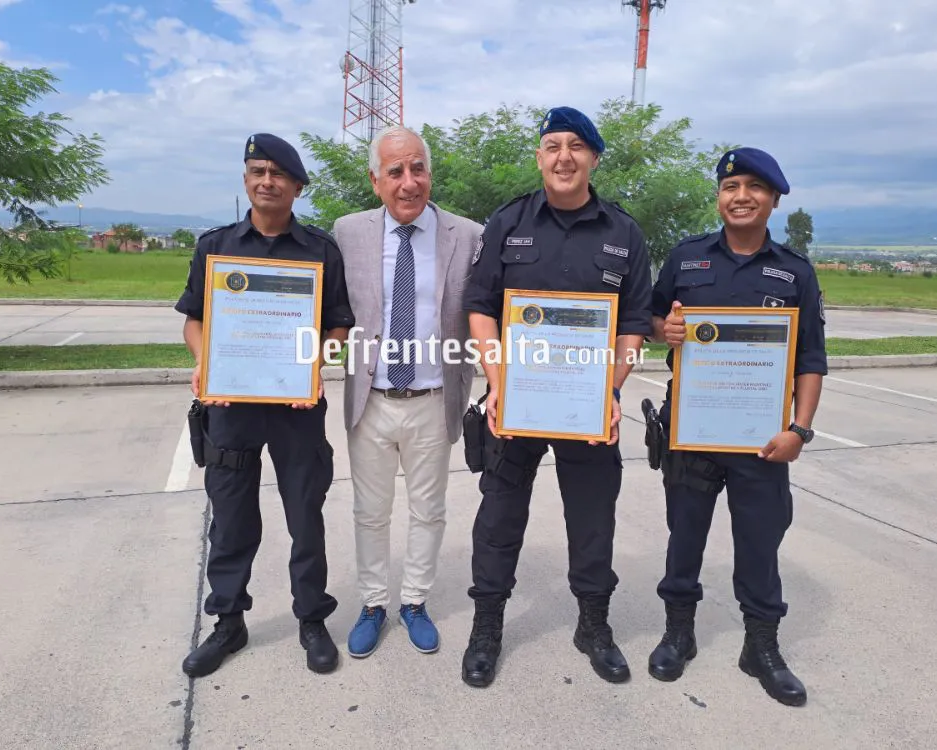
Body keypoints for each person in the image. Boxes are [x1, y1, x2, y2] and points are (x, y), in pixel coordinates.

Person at [460, 106, 653, 687]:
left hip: (588, 407)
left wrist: (611, 391)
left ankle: (593, 624)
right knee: (498, 517)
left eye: (576, 146)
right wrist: (497, 383)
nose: (563, 156)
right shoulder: (507, 222)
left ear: (593, 157)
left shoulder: (624, 233)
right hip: (514, 405)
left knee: (593, 519)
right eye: (552, 146)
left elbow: (633, 325)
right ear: (540, 156)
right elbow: (480, 309)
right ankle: (487, 626)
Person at [646, 147, 827, 707]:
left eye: (753, 187)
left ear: (773, 198)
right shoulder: (686, 259)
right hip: (692, 432)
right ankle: (679, 633)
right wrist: (665, 330)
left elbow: (811, 360)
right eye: (730, 187)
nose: (740, 196)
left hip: (761, 440)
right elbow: (651, 320)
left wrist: (800, 430)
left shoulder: (795, 272)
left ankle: (762, 647)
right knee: (685, 535)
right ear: (719, 196)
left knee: (759, 542)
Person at [175, 133, 355, 677]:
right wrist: (206, 360)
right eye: (257, 171)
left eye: (279, 174)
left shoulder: (321, 251)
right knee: (230, 520)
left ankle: (311, 618)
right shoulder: (216, 247)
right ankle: (228, 622)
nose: (267, 181)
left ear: (297, 186)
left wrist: (314, 361)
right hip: (231, 406)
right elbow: (194, 320)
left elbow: (339, 324)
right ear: (247, 179)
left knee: (306, 515)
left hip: (296, 409)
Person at [332, 125, 482, 658]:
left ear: (430, 173)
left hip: (433, 399)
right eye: (395, 171)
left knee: (428, 511)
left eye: (417, 168)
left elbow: (487, 310)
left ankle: (414, 601)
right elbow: (329, 307)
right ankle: (373, 603)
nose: (408, 181)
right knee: (369, 512)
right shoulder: (347, 232)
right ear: (376, 180)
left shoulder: (466, 234)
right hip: (369, 401)